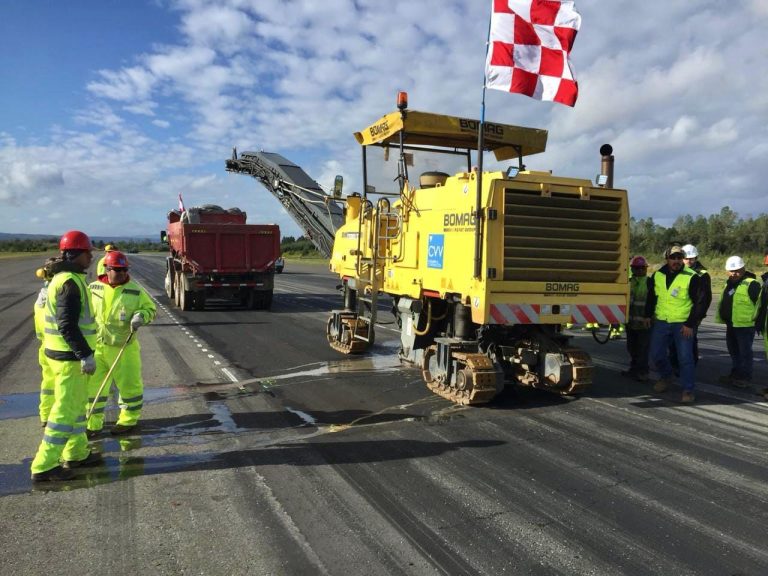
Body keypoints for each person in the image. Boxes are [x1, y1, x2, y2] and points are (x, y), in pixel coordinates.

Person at [31, 230, 101, 482]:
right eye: (88, 252)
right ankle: (44, 465)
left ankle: (77, 453)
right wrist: (85, 354)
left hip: (62, 355)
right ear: (76, 254)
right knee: (64, 413)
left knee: (76, 409)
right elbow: (67, 325)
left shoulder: (62, 279)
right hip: (69, 358)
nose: (91, 256)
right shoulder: (69, 282)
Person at [87, 250, 156, 436]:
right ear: (107, 269)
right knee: (93, 389)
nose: (122, 273)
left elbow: (150, 308)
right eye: (117, 270)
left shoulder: (135, 290)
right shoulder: (93, 289)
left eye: (124, 269)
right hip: (97, 347)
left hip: (124, 347)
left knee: (129, 387)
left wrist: (142, 315)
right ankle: (92, 424)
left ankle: (128, 420)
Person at [646, 245, 708, 403]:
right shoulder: (657, 275)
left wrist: (690, 324)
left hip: (682, 324)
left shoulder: (692, 276)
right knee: (656, 354)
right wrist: (647, 315)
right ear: (667, 259)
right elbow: (652, 297)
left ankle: (688, 390)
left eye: (679, 257)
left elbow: (701, 302)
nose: (676, 261)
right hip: (662, 321)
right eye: (673, 257)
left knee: (685, 358)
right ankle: (667, 376)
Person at [715, 256, 761, 388]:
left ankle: (745, 377)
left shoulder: (752, 284)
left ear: (743, 269)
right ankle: (735, 374)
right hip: (731, 324)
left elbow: (760, 305)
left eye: (737, 270)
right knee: (734, 351)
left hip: (745, 326)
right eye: (731, 270)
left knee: (745, 353)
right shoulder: (728, 283)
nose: (734, 273)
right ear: (727, 271)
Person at [33, 258, 58, 427]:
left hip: (44, 346)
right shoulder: (57, 295)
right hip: (58, 347)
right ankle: (59, 418)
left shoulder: (41, 296)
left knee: (48, 384)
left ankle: (45, 415)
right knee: (64, 386)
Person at [621, 255, 651, 381]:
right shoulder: (628, 283)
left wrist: (649, 317)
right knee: (632, 348)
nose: (639, 270)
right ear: (632, 269)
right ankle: (634, 369)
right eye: (636, 268)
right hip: (631, 322)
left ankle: (643, 372)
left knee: (643, 349)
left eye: (642, 268)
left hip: (644, 323)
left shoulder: (650, 283)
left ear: (645, 269)